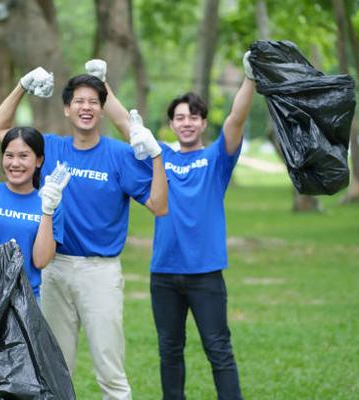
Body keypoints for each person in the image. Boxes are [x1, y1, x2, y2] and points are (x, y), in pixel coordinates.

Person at [0, 63, 168, 400]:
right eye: (79, 102)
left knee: (110, 373)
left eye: (94, 102)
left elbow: (159, 205)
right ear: (67, 109)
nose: (86, 107)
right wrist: (22, 85)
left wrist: (156, 157)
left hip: (100, 272)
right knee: (53, 369)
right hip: (54, 268)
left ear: (101, 109)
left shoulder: (119, 155)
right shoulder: (50, 149)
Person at [108, 53, 255, 400]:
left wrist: (250, 78)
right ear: (171, 125)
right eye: (179, 118)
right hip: (164, 274)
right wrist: (101, 82)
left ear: (203, 123)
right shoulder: (161, 157)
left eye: (193, 117)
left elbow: (235, 119)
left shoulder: (217, 158)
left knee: (219, 350)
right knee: (169, 352)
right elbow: (123, 124)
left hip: (205, 274)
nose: (186, 123)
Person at [0, 126, 68, 399]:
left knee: (21, 389)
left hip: (24, 307)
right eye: (9, 155)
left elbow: (42, 259)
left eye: (24, 156)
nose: (15, 163)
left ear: (39, 161)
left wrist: (47, 210)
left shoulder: (50, 203)